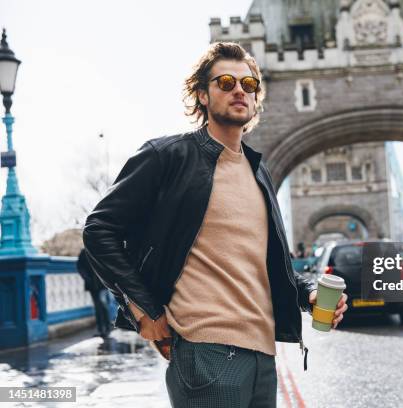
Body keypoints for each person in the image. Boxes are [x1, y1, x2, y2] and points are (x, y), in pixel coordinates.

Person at [83, 42, 348, 407]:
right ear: (202, 95)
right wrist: (143, 310)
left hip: (262, 355)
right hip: (206, 354)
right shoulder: (169, 157)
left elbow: (272, 265)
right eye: (225, 82)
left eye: (249, 85)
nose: (240, 90)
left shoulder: (260, 174)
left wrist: (309, 295)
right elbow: (99, 229)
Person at [76, 248, 112, 338]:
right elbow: (80, 267)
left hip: (102, 284)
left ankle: (107, 328)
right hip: (92, 285)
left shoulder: (101, 249)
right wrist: (87, 278)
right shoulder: (84, 252)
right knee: (97, 307)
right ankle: (100, 329)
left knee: (103, 304)